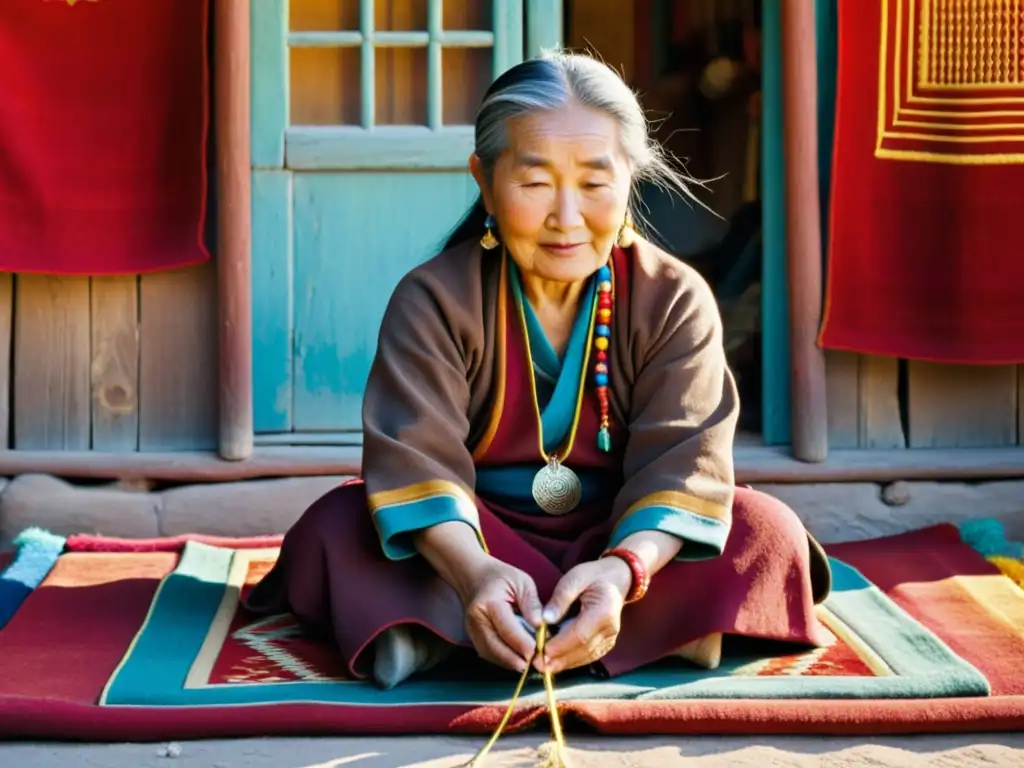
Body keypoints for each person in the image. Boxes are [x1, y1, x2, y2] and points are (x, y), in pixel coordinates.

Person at [245, 51, 833, 690]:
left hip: (621, 537)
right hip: (473, 539)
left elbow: (687, 461)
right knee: (340, 525)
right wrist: (473, 573)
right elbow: (414, 459)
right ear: (485, 181)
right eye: (534, 183)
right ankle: (662, 634)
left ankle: (447, 636)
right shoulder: (436, 298)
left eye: (593, 181)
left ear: (629, 178)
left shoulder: (673, 297)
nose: (567, 216)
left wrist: (623, 572)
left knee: (764, 529)